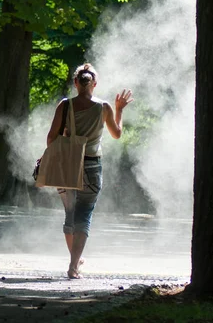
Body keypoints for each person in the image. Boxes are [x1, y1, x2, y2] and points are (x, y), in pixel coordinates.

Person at [45, 63, 133, 279]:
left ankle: (75, 259)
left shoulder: (64, 106)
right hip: (92, 166)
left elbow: (50, 139)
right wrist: (119, 109)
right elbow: (117, 134)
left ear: (76, 83)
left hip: (67, 166)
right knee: (84, 215)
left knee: (70, 216)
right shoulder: (104, 107)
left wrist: (68, 138)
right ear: (94, 84)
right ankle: (74, 265)